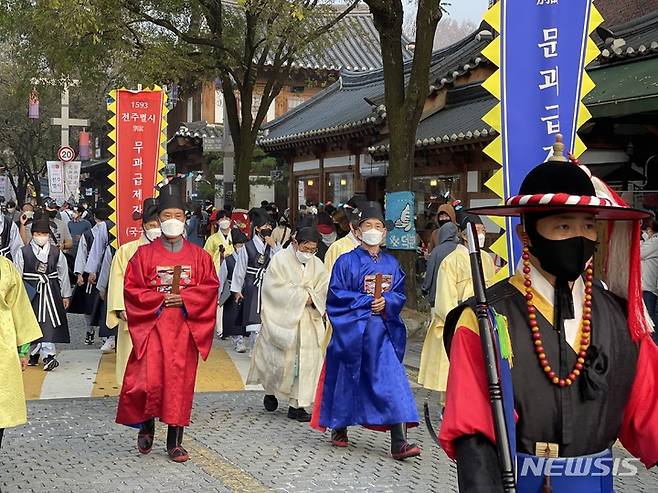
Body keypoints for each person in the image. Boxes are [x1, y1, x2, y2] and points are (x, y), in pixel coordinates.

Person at [438, 152, 658, 491]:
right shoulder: (485, 319)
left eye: (588, 225)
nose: (580, 237)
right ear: (526, 234)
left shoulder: (621, 318)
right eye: (563, 225)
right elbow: (474, 434)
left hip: (595, 483)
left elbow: (650, 412)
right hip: (520, 483)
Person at [116, 182, 219, 463]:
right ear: (158, 220)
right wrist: (158, 299)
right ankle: (146, 424)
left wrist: (186, 298)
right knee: (148, 380)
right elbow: (132, 288)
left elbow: (210, 288)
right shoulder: (143, 255)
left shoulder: (200, 257)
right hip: (153, 326)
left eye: (178, 216)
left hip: (184, 331)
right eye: (167, 216)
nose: (173, 221)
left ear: (185, 219)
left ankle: (175, 440)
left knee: (179, 384)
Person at [311, 201, 421, 460]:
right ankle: (339, 426)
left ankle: (399, 442)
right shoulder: (345, 262)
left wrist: (388, 302)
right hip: (352, 330)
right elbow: (336, 295)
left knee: (393, 380)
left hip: (382, 332)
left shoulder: (392, 265)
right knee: (346, 379)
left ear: (384, 233)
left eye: (378, 226)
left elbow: (399, 294)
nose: (373, 230)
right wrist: (365, 302)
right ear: (358, 231)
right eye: (368, 225)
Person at [247, 227, 329, 421]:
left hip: (308, 320)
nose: (308, 253)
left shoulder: (317, 264)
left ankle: (297, 404)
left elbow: (324, 287)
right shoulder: (280, 260)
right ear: (295, 243)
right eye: (305, 248)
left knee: (307, 363)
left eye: (312, 250)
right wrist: (303, 296)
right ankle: (271, 391)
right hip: (283, 319)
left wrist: (314, 298)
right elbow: (272, 288)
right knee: (279, 361)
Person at [418, 215, 495, 394]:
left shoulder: (486, 258)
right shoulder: (451, 261)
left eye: (483, 231)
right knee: (455, 382)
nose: (481, 235)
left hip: (483, 322)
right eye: (477, 231)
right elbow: (445, 301)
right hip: (459, 324)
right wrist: (461, 322)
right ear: (465, 235)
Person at [106, 198, 161, 385]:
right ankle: (131, 396)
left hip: (161, 312)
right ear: (144, 225)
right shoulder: (126, 251)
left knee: (160, 361)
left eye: (159, 225)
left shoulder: (170, 250)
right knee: (132, 358)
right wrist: (120, 307)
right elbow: (117, 279)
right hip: (133, 313)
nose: (156, 229)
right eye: (152, 225)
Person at [15, 218, 72, 371]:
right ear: (33, 234)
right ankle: (34, 353)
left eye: (45, 233)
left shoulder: (55, 252)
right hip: (31, 291)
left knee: (48, 322)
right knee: (32, 322)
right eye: (38, 233)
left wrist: (66, 294)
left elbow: (63, 273)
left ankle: (49, 356)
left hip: (50, 291)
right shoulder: (23, 252)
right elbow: (17, 275)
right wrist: (17, 296)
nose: (42, 236)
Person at [0, 255, 42, 450]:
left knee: (1, 409)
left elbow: (20, 307)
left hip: (3, 347)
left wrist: (23, 350)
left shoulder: (6, 267)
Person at [231, 208, 281, 345]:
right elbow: (240, 269)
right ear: (258, 229)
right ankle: (254, 348)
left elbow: (281, 262)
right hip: (252, 285)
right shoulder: (248, 246)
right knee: (254, 317)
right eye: (265, 226)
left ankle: (264, 347)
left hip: (268, 284)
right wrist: (237, 289)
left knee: (267, 317)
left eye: (270, 225)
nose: (268, 228)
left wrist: (274, 247)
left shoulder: (272, 245)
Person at [218, 230, 248, 353]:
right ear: (235, 246)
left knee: (244, 317)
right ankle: (238, 341)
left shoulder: (248, 259)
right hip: (231, 293)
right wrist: (219, 295)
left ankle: (242, 339)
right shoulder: (228, 260)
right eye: (240, 245)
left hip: (245, 291)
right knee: (233, 317)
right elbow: (222, 278)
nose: (242, 248)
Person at [420, 221, 459, 307]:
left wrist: (425, 288)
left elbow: (430, 271)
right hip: (457, 294)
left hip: (437, 293)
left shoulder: (437, 251)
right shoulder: (461, 249)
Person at [641, 219, 658, 335]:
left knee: (650, 320)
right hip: (647, 286)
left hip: (649, 287)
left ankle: (654, 347)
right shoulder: (652, 241)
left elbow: (640, 253)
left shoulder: (655, 241)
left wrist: (643, 237)